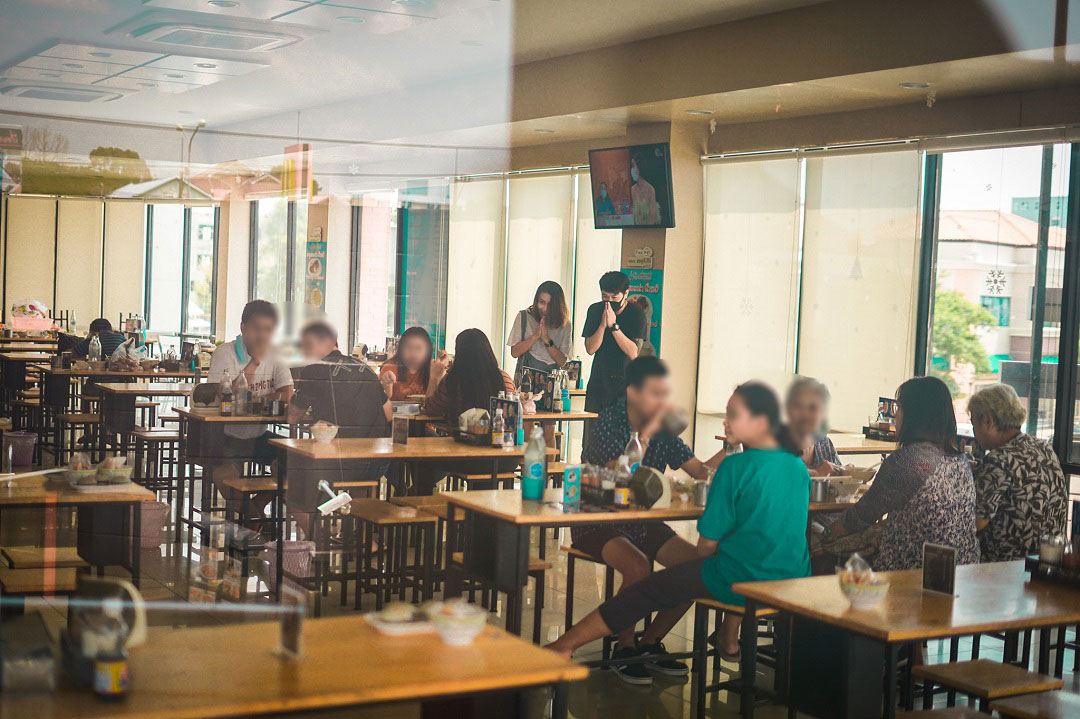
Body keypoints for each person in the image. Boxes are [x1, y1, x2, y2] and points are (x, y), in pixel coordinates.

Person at [547, 381, 810, 662]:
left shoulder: (734, 467)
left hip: (743, 578)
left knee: (652, 589)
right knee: (675, 574)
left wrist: (714, 550)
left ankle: (568, 645)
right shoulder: (798, 466)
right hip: (793, 578)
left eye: (733, 414)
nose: (725, 421)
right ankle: (637, 645)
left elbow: (706, 545)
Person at [571, 356, 725, 684]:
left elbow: (700, 472)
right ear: (632, 392)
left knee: (700, 566)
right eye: (655, 393)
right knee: (639, 566)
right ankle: (624, 648)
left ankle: (650, 641)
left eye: (664, 393)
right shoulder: (610, 421)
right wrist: (645, 435)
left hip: (642, 521)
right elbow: (619, 471)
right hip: (598, 518)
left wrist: (735, 445)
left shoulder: (664, 427)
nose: (662, 401)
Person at [825, 376, 979, 570]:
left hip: (914, 574)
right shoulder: (960, 460)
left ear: (915, 415)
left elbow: (863, 514)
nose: (895, 416)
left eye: (899, 408)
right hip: (963, 569)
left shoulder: (909, 461)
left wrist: (826, 533)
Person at [287, 320, 391, 535]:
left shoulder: (315, 369)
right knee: (360, 484)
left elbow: (292, 417)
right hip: (376, 463)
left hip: (336, 463)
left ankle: (318, 535)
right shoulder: (365, 368)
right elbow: (388, 413)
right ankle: (364, 540)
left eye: (307, 346)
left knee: (287, 484)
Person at [205, 300, 294, 527]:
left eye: (268, 329)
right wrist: (254, 362)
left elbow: (287, 393)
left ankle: (256, 506)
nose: (262, 335)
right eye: (256, 328)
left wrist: (259, 400)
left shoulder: (277, 354)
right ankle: (256, 519)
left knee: (295, 464)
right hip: (224, 435)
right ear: (243, 326)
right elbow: (227, 394)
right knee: (224, 476)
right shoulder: (225, 353)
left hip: (258, 435)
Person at [968, 384, 1067, 562]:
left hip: (1005, 567)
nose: (974, 433)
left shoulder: (999, 459)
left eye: (974, 423)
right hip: (1046, 560)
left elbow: (975, 522)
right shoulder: (1044, 448)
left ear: (989, 422)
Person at [415, 328, 515, 494]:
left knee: (422, 458)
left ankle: (422, 502)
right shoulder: (504, 378)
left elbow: (431, 410)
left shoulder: (454, 380)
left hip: (467, 456)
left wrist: (434, 378)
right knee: (486, 469)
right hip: (506, 458)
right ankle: (483, 513)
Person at [582, 271, 647, 417]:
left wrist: (613, 326)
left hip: (626, 383)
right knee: (595, 434)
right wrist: (602, 326)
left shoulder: (637, 314)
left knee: (622, 434)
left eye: (614, 297)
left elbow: (633, 352)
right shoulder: (595, 310)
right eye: (605, 297)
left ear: (625, 293)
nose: (610, 301)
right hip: (599, 380)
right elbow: (591, 349)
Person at [507, 280, 572, 375]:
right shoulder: (523, 317)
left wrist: (547, 340)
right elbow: (514, 352)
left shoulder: (565, 324)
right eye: (542, 302)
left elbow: (562, 362)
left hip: (552, 380)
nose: (545, 308)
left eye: (550, 305)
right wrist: (535, 336)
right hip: (525, 381)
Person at [785, 376, 843, 477]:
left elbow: (841, 478)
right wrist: (817, 473)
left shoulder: (824, 443)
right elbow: (778, 475)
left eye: (813, 408)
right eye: (798, 406)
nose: (805, 414)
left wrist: (847, 472)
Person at [379, 326, 444, 402]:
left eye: (418, 348)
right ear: (400, 349)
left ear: (428, 351)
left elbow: (437, 402)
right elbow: (380, 402)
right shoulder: (390, 368)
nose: (413, 354)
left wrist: (438, 374)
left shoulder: (433, 368)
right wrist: (387, 388)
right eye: (408, 347)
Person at [630, 153, 659, 225]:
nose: (632, 169)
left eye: (633, 166)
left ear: (640, 167)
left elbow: (652, 219)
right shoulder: (633, 189)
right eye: (631, 166)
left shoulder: (650, 190)